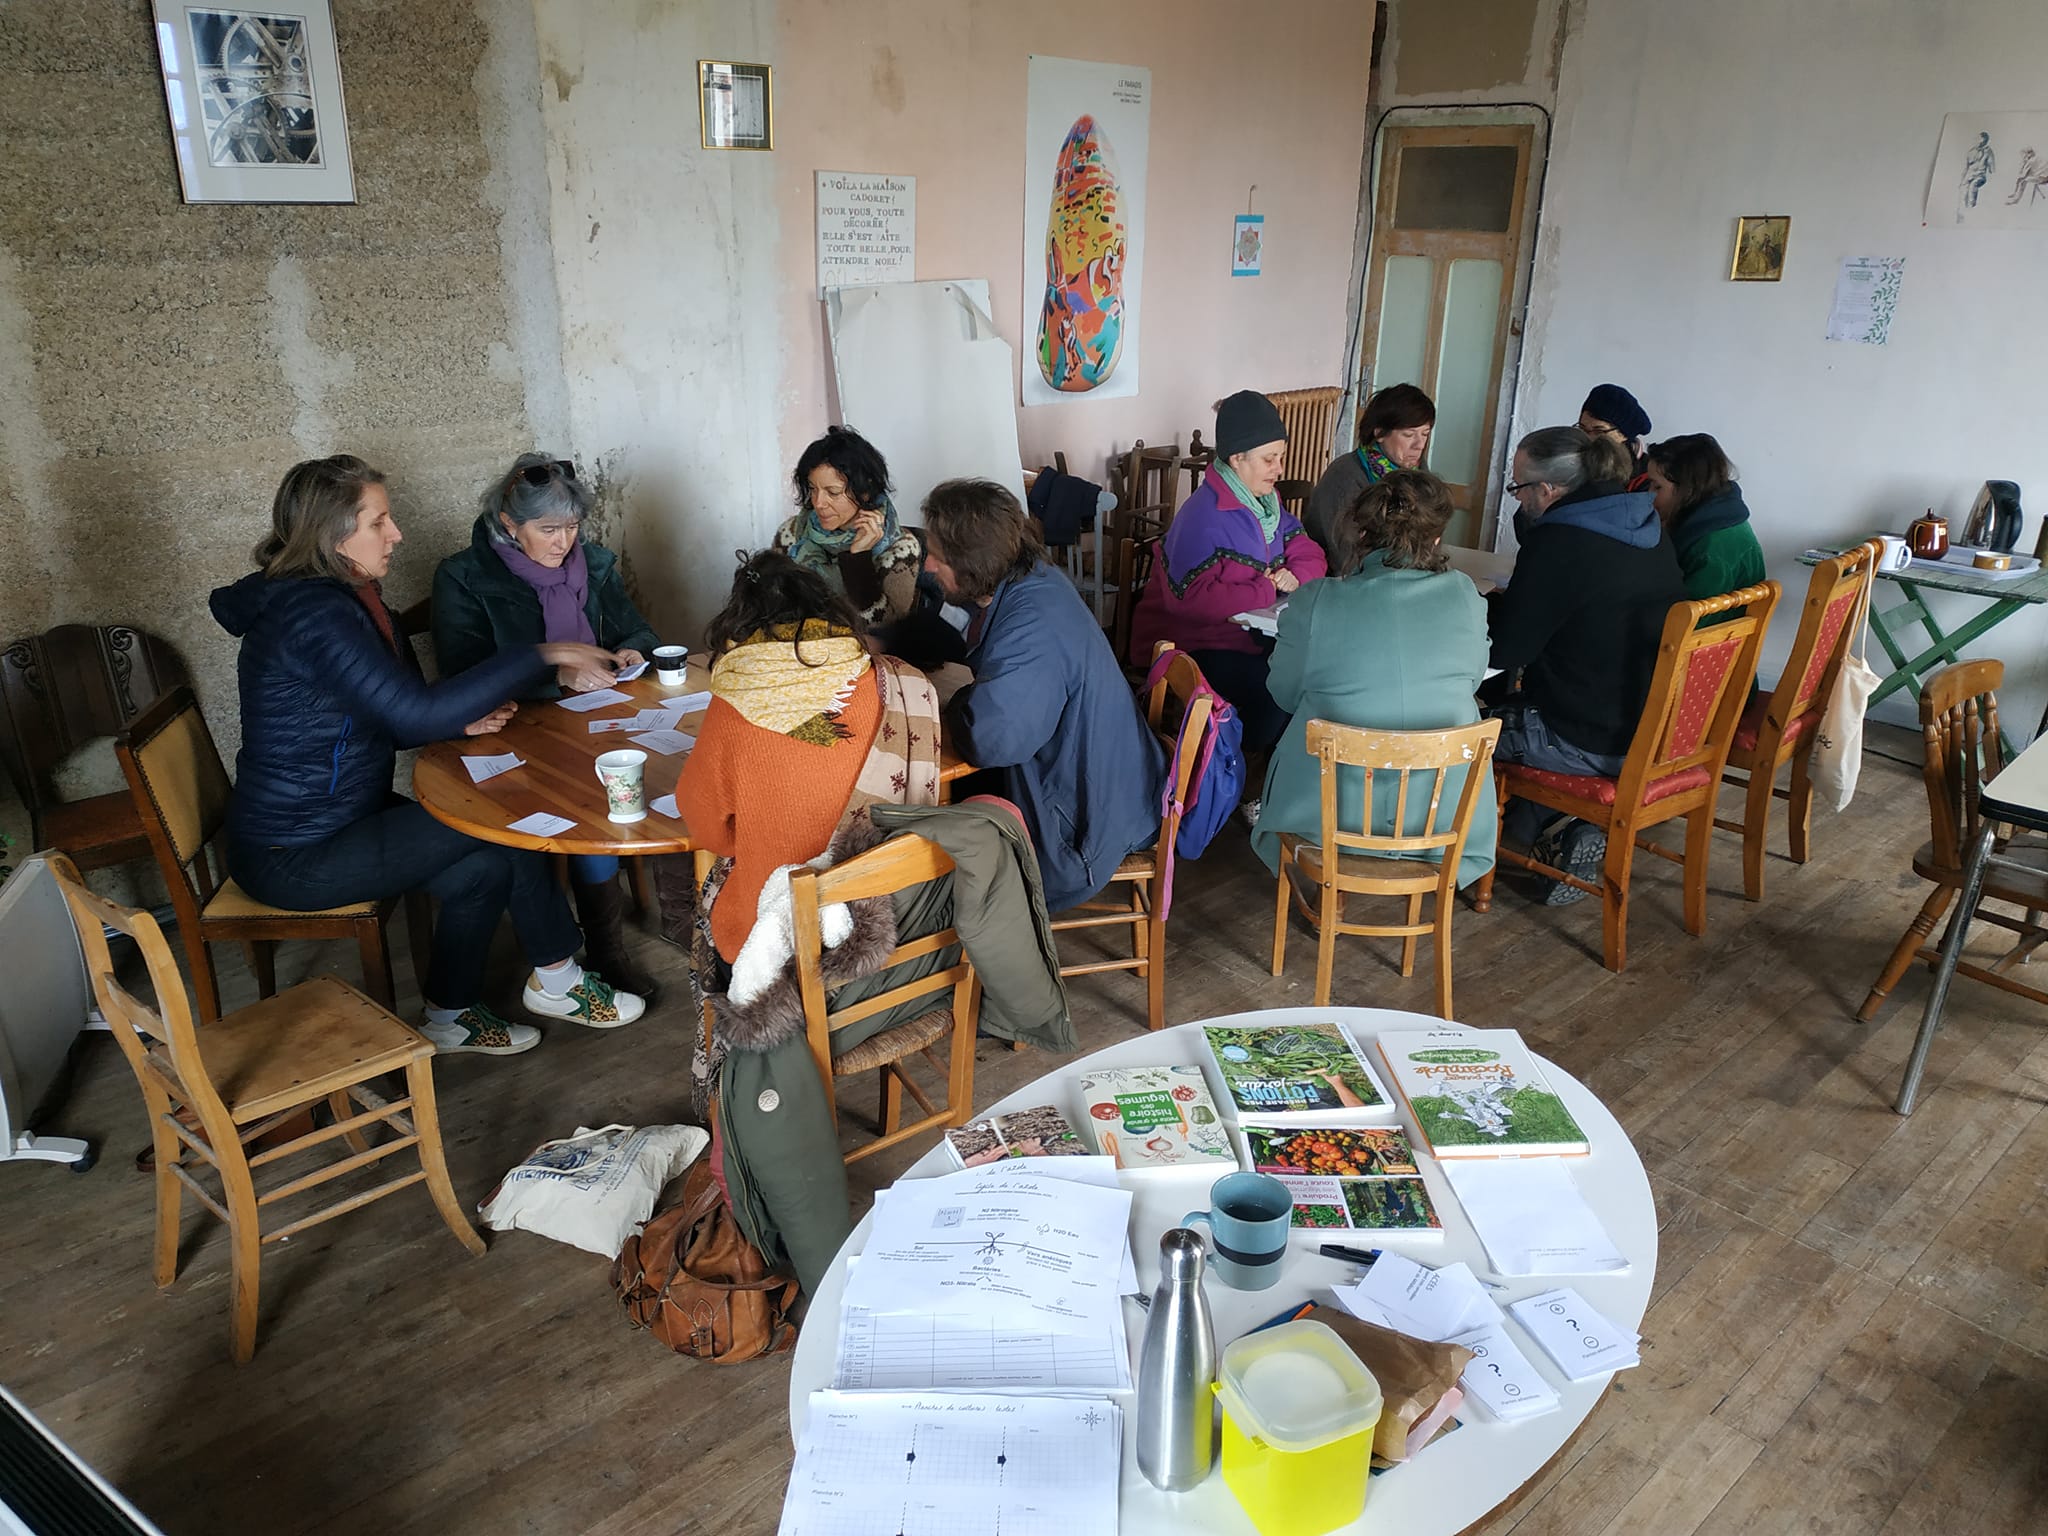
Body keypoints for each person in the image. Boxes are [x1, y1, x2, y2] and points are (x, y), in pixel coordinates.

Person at [214, 455, 647, 1055]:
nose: (396, 534)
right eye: (379, 523)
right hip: (295, 850)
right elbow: (413, 715)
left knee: (483, 867)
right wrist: (543, 654)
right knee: (507, 825)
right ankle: (559, 981)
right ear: (332, 534)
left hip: (339, 818)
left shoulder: (338, 598)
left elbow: (386, 716)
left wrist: (456, 718)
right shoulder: (312, 614)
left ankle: (451, 1015)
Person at [432, 454, 663, 996]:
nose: (564, 543)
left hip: (601, 718)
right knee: (581, 801)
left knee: (650, 783)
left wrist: (633, 649)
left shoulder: (594, 564)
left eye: (573, 527)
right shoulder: (464, 577)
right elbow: (464, 677)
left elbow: (640, 630)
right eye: (548, 529)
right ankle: (591, 954)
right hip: (513, 731)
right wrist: (555, 678)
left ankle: (620, 942)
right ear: (509, 524)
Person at [923, 478, 1166, 912]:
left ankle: (965, 941)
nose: (927, 566)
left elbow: (994, 740)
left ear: (972, 566)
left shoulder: (1030, 627)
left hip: (1083, 832)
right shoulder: (1035, 577)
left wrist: (960, 701)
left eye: (936, 557)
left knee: (934, 860)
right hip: (1113, 788)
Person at [1252, 469, 1496, 888]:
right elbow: (1472, 682)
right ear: (1437, 539)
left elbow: (1283, 694)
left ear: (1361, 534)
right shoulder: (1465, 596)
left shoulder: (1317, 601)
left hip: (1325, 819)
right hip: (1443, 821)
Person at [1489, 426, 1685, 902]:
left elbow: (1504, 652)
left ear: (1548, 490)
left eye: (1518, 487)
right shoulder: (1646, 526)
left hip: (1583, 739)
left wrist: (1477, 610)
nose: (1518, 499)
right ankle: (1561, 825)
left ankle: (1456, 856)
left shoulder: (1561, 542)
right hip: (1655, 732)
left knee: (1462, 730)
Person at [1129, 390, 1328, 757]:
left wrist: (1297, 574)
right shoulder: (1201, 517)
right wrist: (1266, 589)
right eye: (1269, 459)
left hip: (1249, 637)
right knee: (1275, 698)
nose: (1279, 469)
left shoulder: (1267, 503)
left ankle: (1268, 767)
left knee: (1311, 676)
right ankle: (1230, 770)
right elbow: (1188, 600)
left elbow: (1308, 549)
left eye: (1281, 457)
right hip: (1193, 646)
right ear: (1237, 458)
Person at [775, 426, 925, 629]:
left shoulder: (900, 549)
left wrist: (858, 559)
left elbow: (886, 629)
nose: (818, 503)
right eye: (812, 489)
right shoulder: (791, 533)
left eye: (833, 492)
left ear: (865, 491)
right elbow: (773, 610)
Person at [1303, 383, 1435, 555]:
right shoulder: (1345, 475)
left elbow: (1432, 528)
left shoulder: (1417, 470)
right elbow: (1345, 554)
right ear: (1379, 433)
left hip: (1399, 564)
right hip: (1349, 568)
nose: (1419, 445)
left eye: (1425, 434)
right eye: (1408, 435)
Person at [1643, 433, 1767, 602]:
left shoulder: (1709, 549)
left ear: (1687, 489)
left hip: (1703, 619)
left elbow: (1685, 614)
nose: (1649, 494)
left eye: (1657, 487)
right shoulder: (1724, 518)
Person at [1578, 383, 1653, 489]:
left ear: (1624, 435)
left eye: (1599, 431)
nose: (1588, 438)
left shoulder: (1649, 476)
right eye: (1582, 428)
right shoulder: (1573, 459)